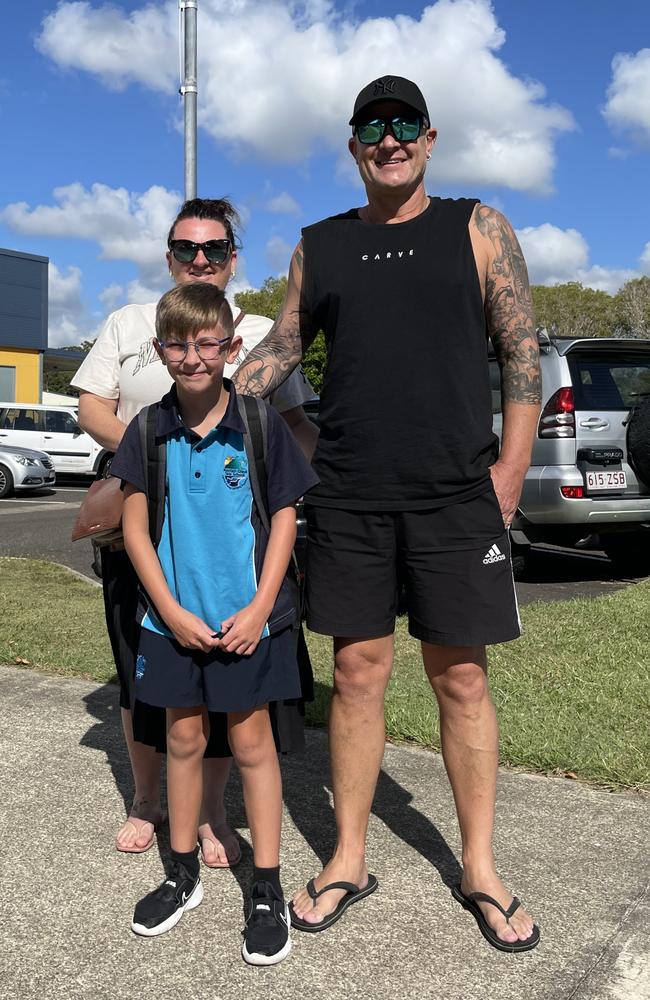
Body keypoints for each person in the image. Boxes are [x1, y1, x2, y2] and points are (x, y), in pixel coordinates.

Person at [233, 76, 542, 952]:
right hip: (351, 493)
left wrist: (511, 472)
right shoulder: (320, 245)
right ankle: (349, 857)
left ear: (430, 138)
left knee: (463, 678)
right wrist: (209, 397)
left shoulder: (478, 227)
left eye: (405, 125)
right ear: (354, 144)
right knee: (358, 673)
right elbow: (284, 346)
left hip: (456, 494)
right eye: (373, 127)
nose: (390, 139)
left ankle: (479, 866)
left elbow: (521, 346)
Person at [71, 198, 318, 863]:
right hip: (140, 525)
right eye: (186, 248)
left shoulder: (263, 332)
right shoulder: (130, 322)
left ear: (234, 257)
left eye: (214, 249)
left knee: (229, 675)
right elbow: (91, 402)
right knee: (140, 667)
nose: (200, 259)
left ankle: (212, 813)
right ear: (169, 255)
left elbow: (294, 426)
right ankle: (145, 800)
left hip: (233, 537)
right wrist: (155, 456)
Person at [110, 282, 318, 963]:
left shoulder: (257, 424)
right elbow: (135, 529)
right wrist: (167, 610)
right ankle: (182, 874)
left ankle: (265, 888)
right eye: (178, 343)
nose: (193, 357)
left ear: (232, 347)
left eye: (207, 344)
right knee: (184, 741)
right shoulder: (147, 428)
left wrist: (261, 607)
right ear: (159, 349)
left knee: (254, 747)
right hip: (173, 627)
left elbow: (285, 514)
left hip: (247, 626)